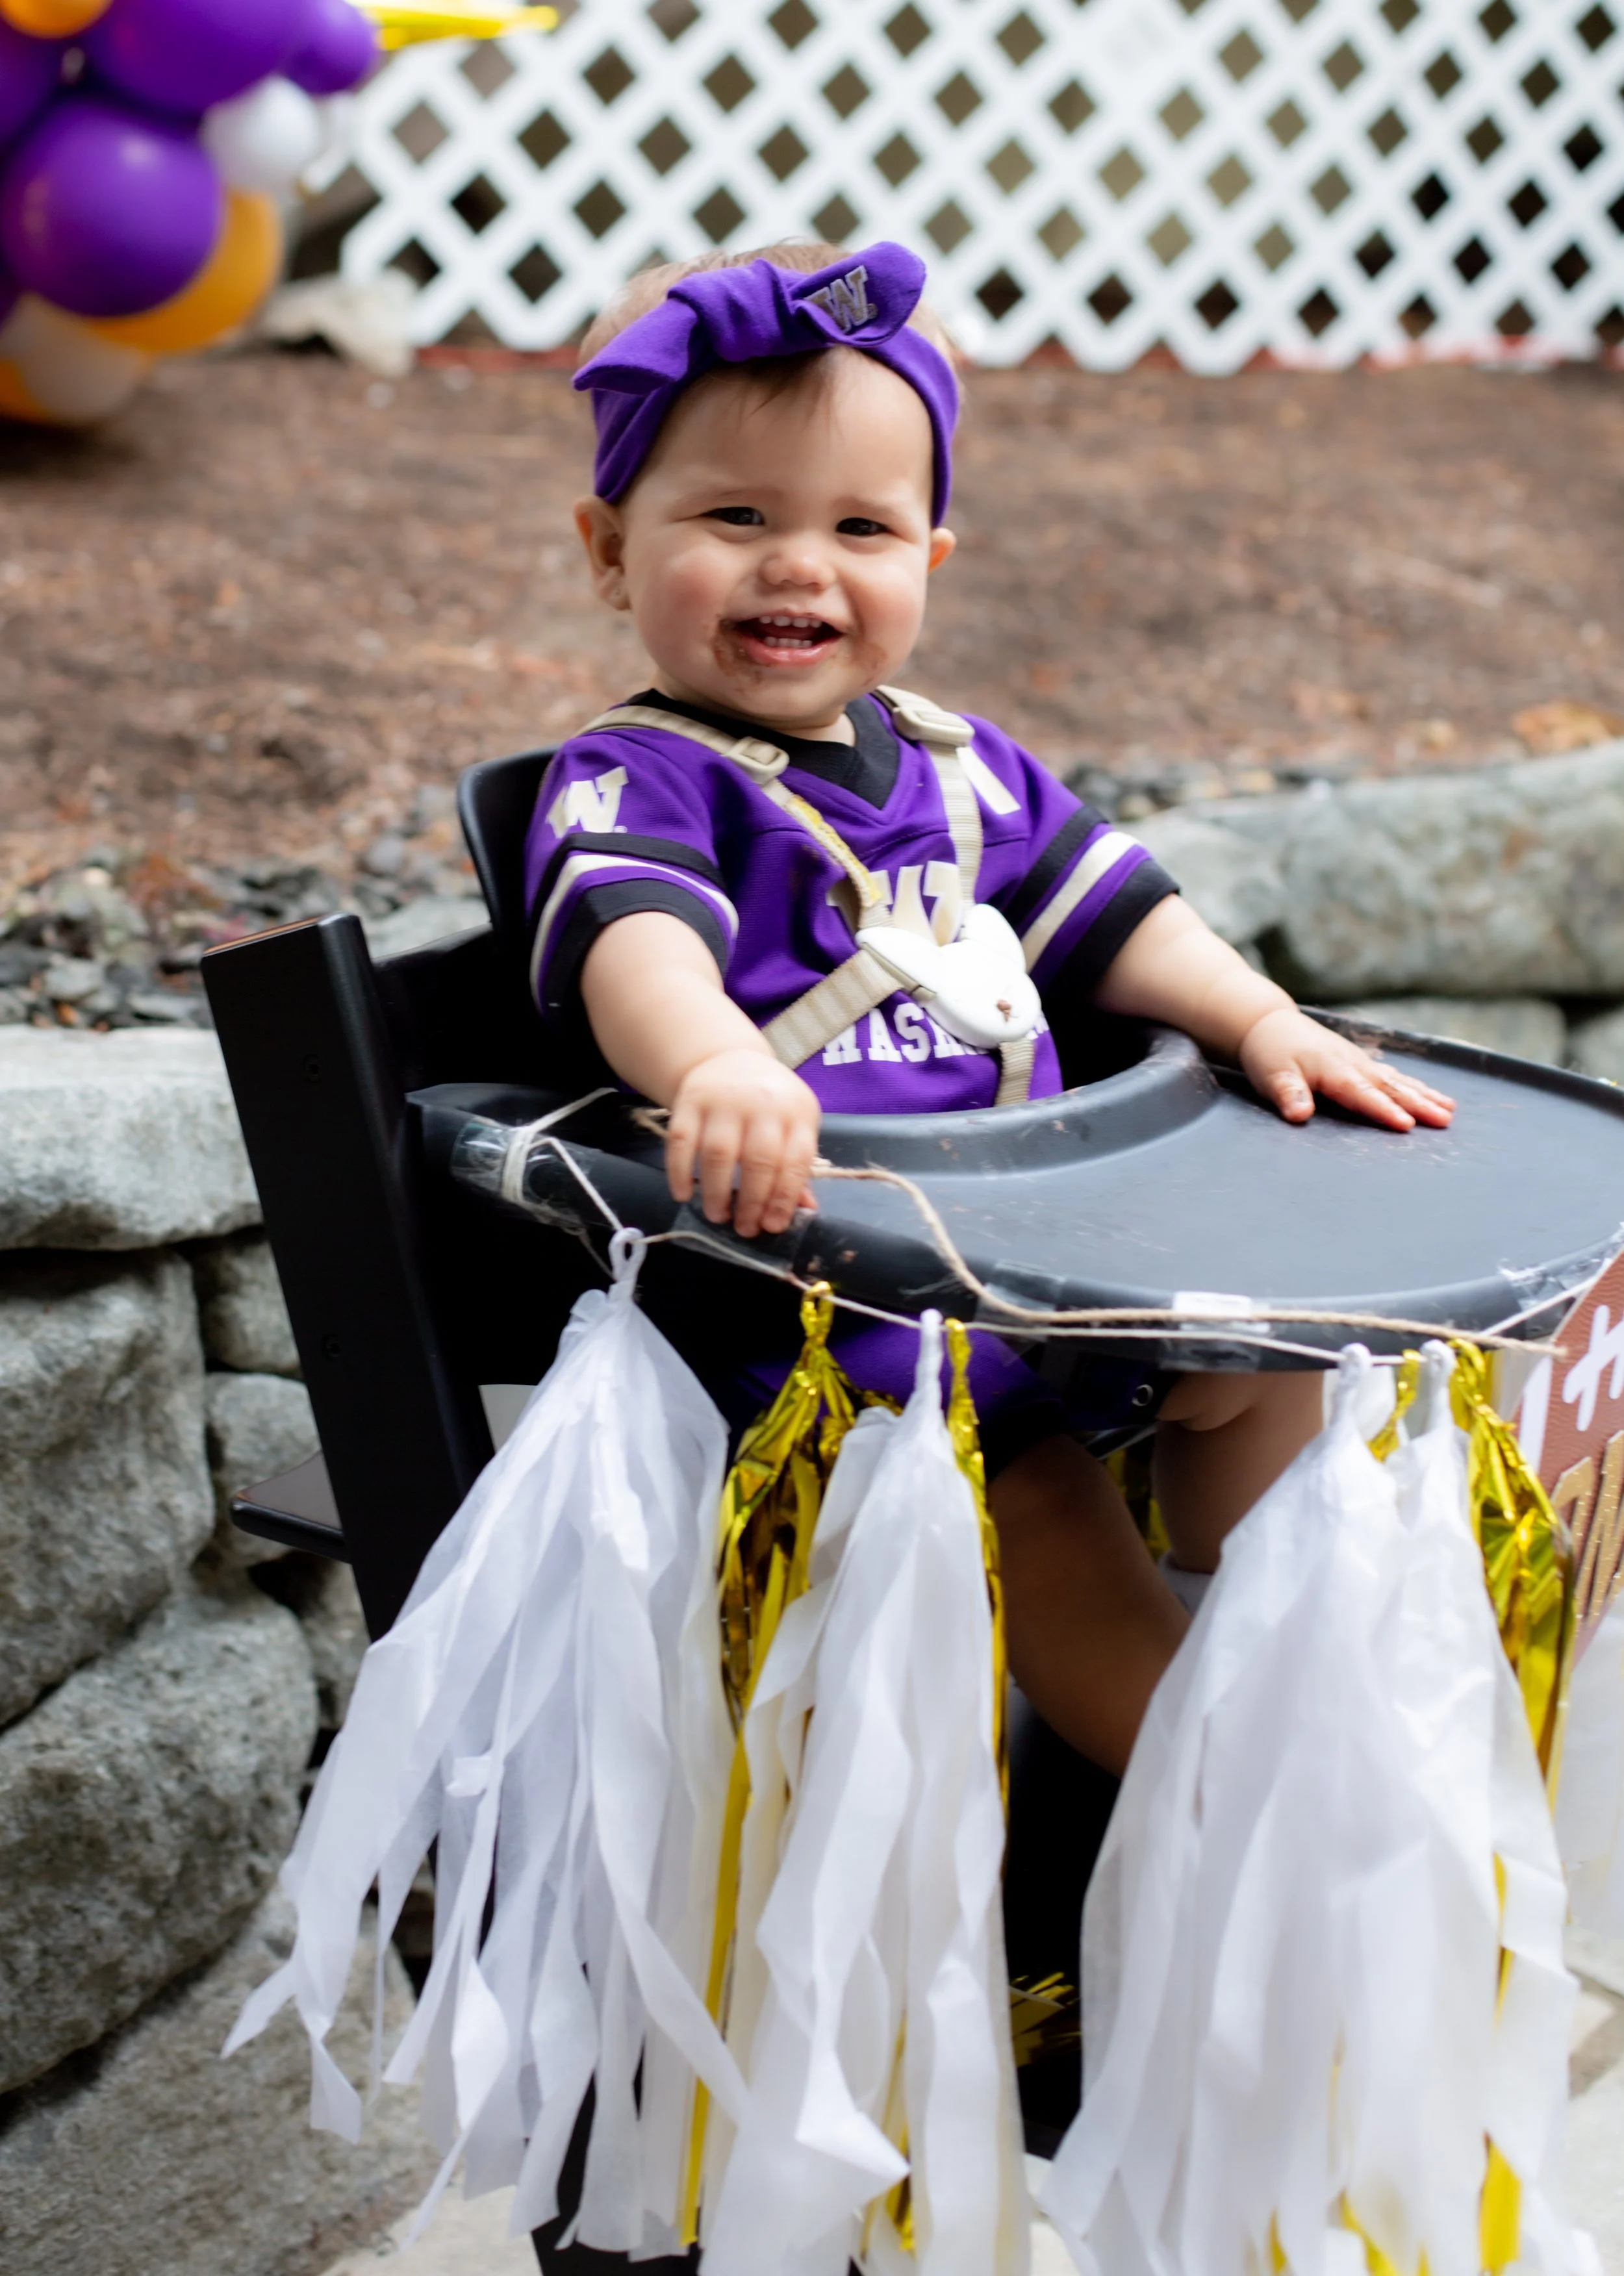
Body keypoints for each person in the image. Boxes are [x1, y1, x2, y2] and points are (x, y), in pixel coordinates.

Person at [524, 239, 1454, 1774]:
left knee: (1271, 1355)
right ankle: (1199, 1788)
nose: (798, 565)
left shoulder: (959, 763)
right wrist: (710, 1064)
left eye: (858, 526)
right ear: (610, 546)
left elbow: (1120, 916)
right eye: (734, 517)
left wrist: (1259, 1017)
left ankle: (1268, 1624)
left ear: (927, 562)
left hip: (1040, 1259)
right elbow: (637, 940)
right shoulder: (641, 780)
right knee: (1030, 1488)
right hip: (834, 1308)